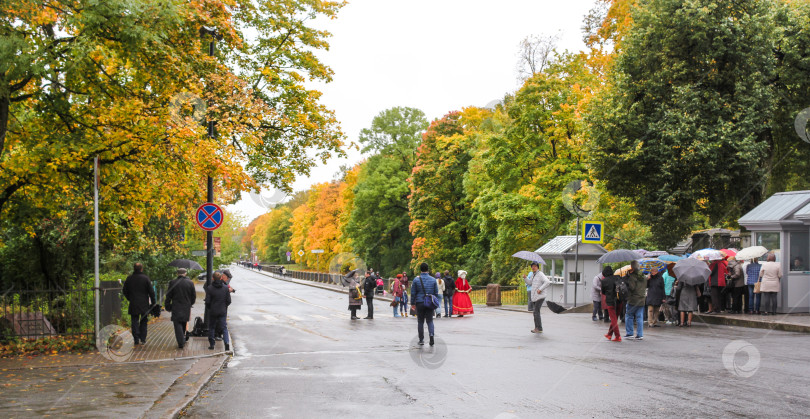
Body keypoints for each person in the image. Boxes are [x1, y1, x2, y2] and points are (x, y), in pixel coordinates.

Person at [122, 263, 157, 346]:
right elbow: (151, 292)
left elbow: (124, 290)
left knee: (134, 321)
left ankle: (136, 338)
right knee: (144, 321)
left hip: (133, 303)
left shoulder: (129, 278)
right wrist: (153, 302)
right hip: (144, 303)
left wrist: (129, 298)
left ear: (134, 269)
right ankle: (143, 338)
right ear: (141, 269)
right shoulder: (145, 278)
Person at [164, 268, 196, 349]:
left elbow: (168, 295)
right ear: (185, 273)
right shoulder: (190, 283)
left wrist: (167, 306)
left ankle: (181, 341)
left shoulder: (172, 282)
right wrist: (190, 303)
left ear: (177, 274)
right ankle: (182, 339)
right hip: (186, 306)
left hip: (176, 306)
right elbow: (193, 296)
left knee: (177, 323)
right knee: (184, 322)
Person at [411, 263, 439, 346]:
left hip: (420, 302)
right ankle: (431, 336)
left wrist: (412, 303)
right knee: (430, 321)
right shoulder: (433, 280)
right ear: (428, 269)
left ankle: (421, 339)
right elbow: (436, 293)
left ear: (420, 270)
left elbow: (413, 293)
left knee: (420, 321)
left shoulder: (416, 280)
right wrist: (434, 302)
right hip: (429, 302)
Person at [205, 272, 232, 351]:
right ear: (221, 278)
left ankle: (212, 344)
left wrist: (210, 307)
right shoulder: (225, 288)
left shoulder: (210, 288)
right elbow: (229, 301)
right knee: (224, 327)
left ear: (213, 278)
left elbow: (207, 301)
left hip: (213, 310)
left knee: (212, 327)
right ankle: (226, 343)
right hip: (222, 310)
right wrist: (224, 306)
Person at [526, 262, 551, 334]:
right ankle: (537, 327)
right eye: (532, 266)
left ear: (537, 267)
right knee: (535, 312)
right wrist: (525, 278)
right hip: (535, 296)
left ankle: (539, 328)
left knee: (536, 312)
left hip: (540, 296)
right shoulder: (533, 275)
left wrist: (540, 289)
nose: (533, 267)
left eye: (534, 266)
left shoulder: (540, 274)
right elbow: (530, 283)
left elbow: (547, 282)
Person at [624, 261, 646, 340]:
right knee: (639, 317)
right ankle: (640, 334)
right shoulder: (644, 276)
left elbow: (632, 288)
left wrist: (628, 279)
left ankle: (630, 333)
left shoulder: (632, 276)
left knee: (629, 316)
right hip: (642, 299)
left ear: (632, 267)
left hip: (633, 299)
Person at [600, 267, 621, 342]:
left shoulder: (604, 281)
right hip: (619, 300)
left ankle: (618, 336)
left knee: (613, 319)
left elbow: (603, 292)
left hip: (610, 301)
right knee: (614, 318)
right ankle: (609, 334)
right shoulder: (618, 277)